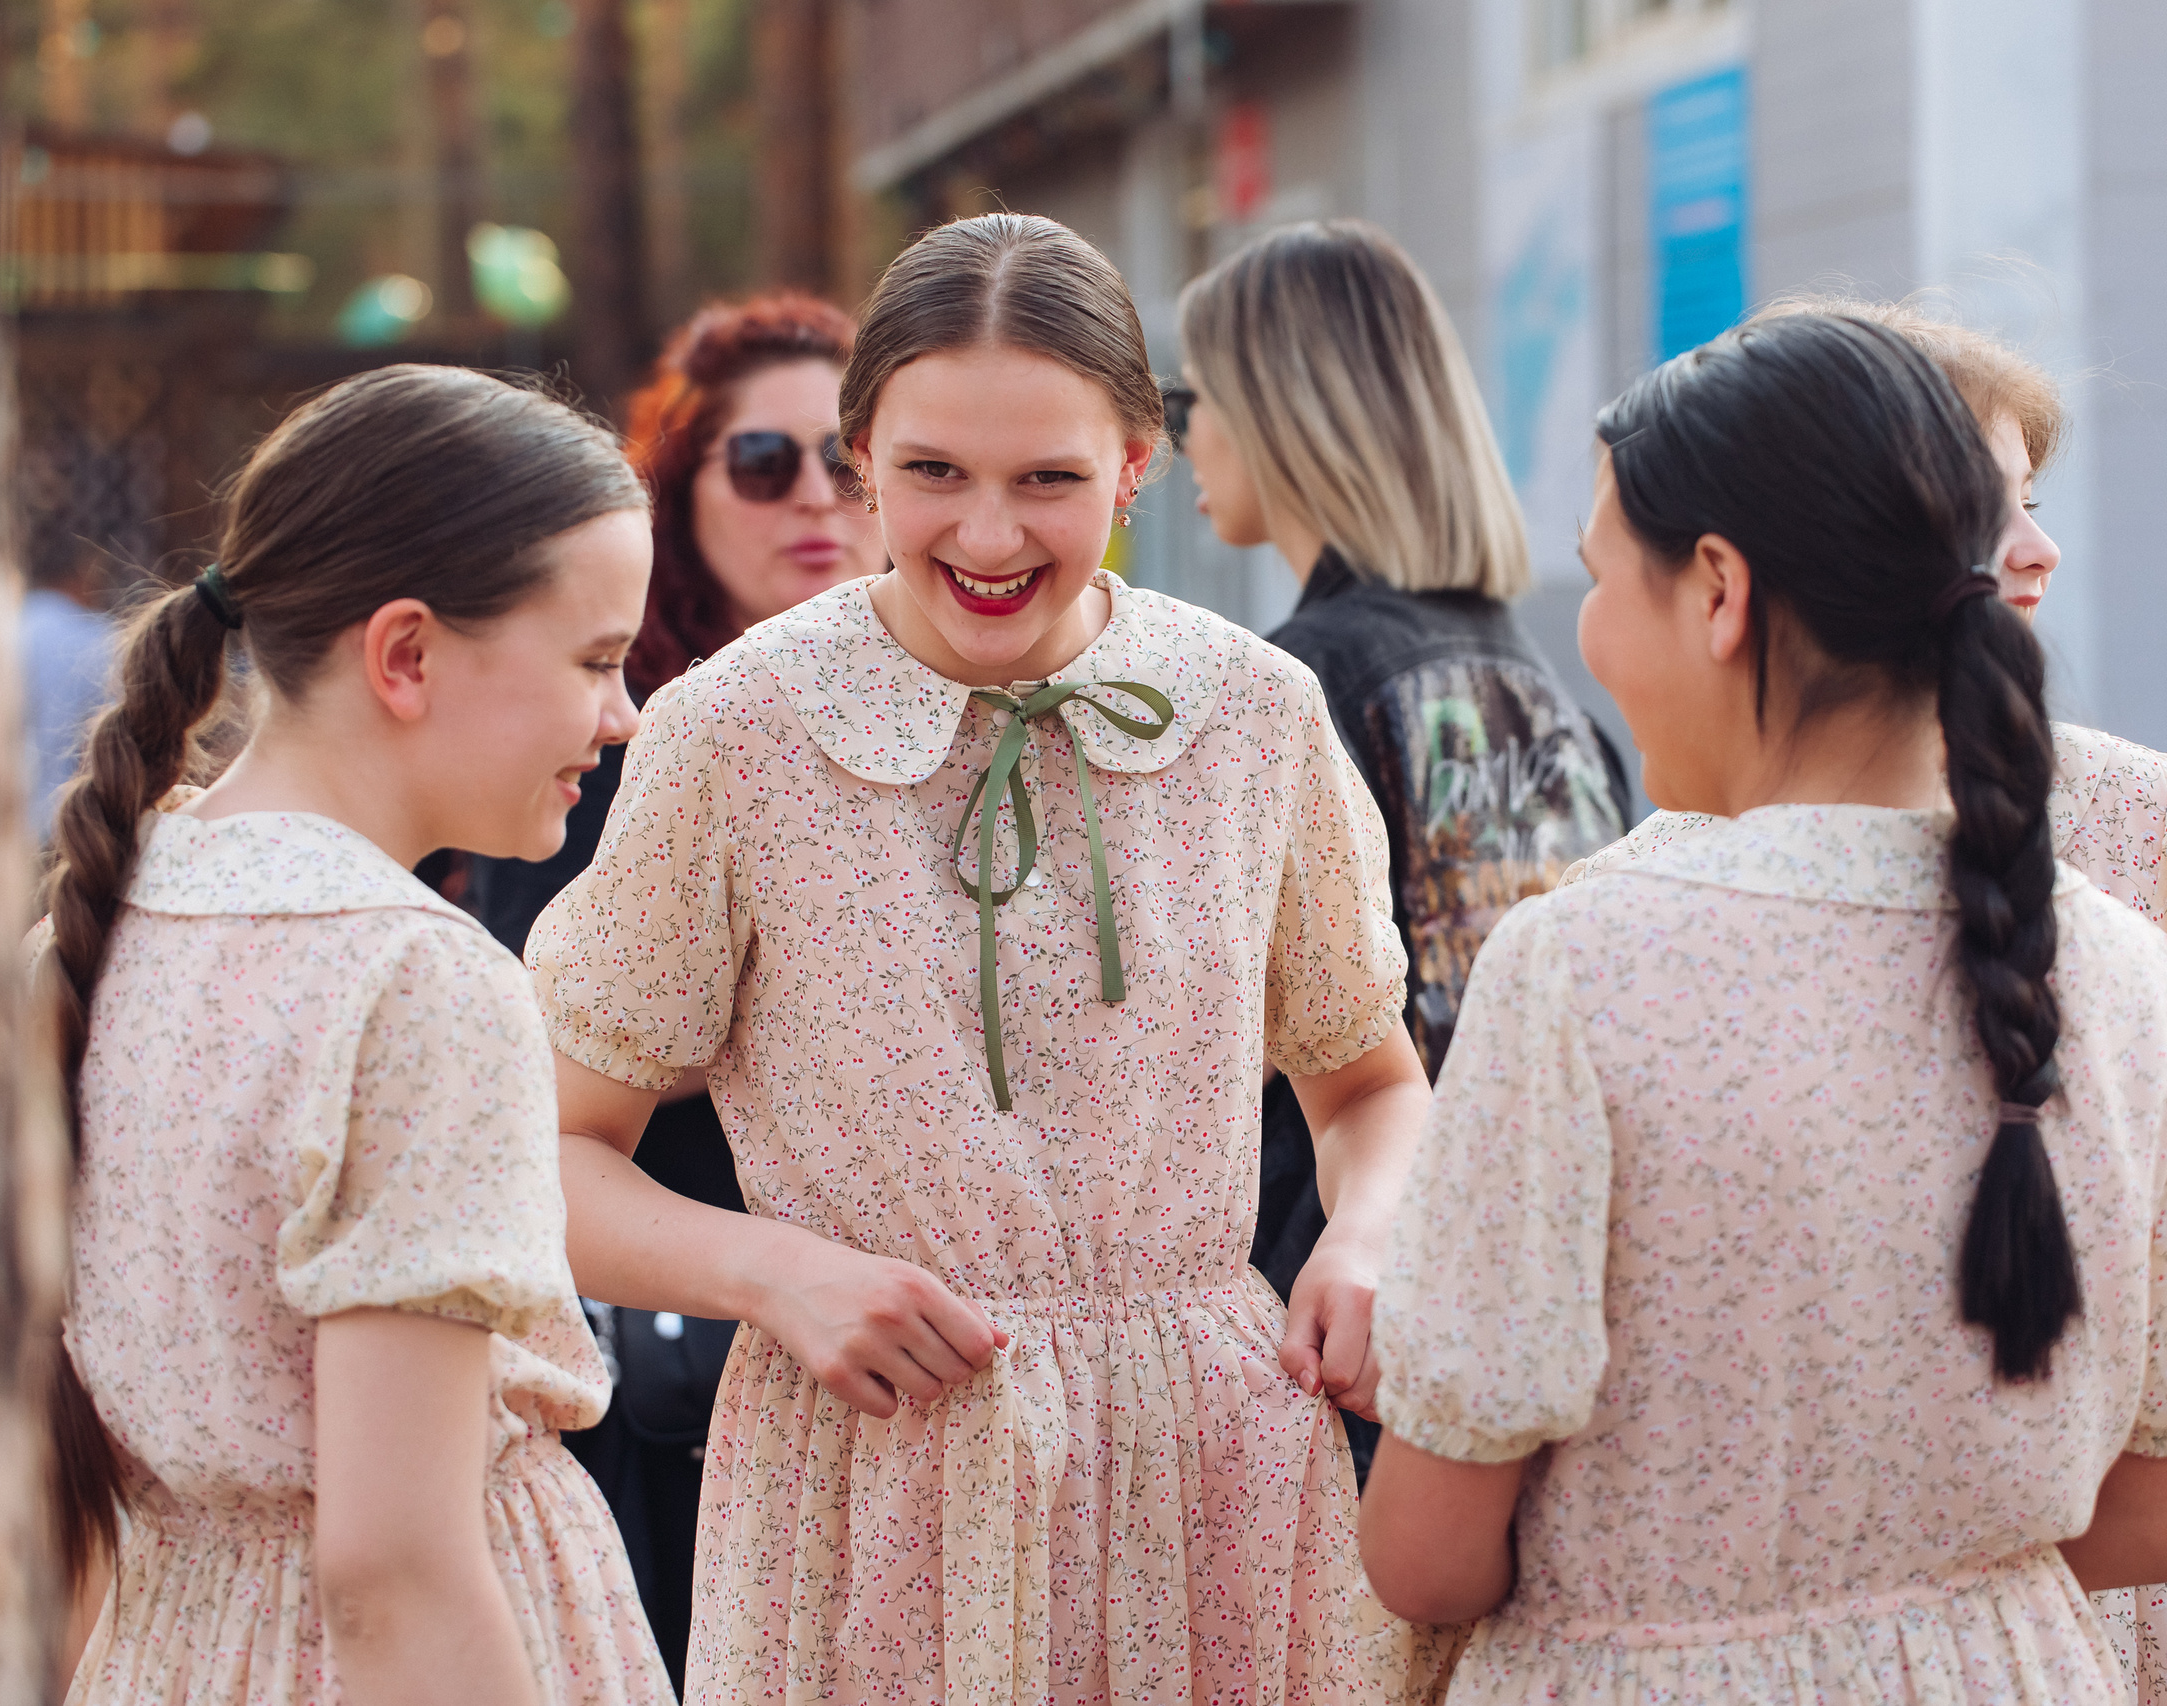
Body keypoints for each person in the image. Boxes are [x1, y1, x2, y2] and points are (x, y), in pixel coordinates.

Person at [534, 212, 1437, 1704]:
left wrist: (1368, 1235)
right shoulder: (734, 733)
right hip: (872, 1483)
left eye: (1050, 480)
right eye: (935, 473)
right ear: (861, 456)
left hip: (1205, 1471)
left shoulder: (1253, 712)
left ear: (1136, 464)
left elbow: (1369, 1088)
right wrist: (777, 1272)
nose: (992, 535)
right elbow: (552, 1154)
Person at [1357, 314, 2167, 1703]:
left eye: (1600, 576)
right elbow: (2146, 1524)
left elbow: (1427, 1557)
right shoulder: (2134, 975)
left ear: (1718, 590)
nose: (1586, 630)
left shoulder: (1581, 967)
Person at [1602, 296, 2167, 1706]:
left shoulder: (2132, 815)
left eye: (2035, 499)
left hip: (2107, 1600)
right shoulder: (1630, 899)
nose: (2038, 548)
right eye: (1981, 503)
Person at [41, 365, 671, 1705]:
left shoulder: (109, 920)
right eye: (595, 660)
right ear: (406, 655)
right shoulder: (414, 980)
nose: (622, 715)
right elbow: (394, 1573)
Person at [459, 292, 883, 1693]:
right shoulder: (612, 726)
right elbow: (542, 1023)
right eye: (764, 461)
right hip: (691, 1346)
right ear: (685, 486)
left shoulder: (968, 717)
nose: (815, 496)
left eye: (849, 461)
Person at [1172, 219, 1631, 1483]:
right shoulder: (1549, 695)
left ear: (1279, 407)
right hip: (1539, 1305)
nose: (1182, 438)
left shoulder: (1291, 691)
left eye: (1193, 398)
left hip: (1338, 1334)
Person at [20, 544, 117, 842]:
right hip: (66, 830)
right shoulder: (97, 638)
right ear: (82, 573)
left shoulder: (2, 627)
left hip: (3, 826)